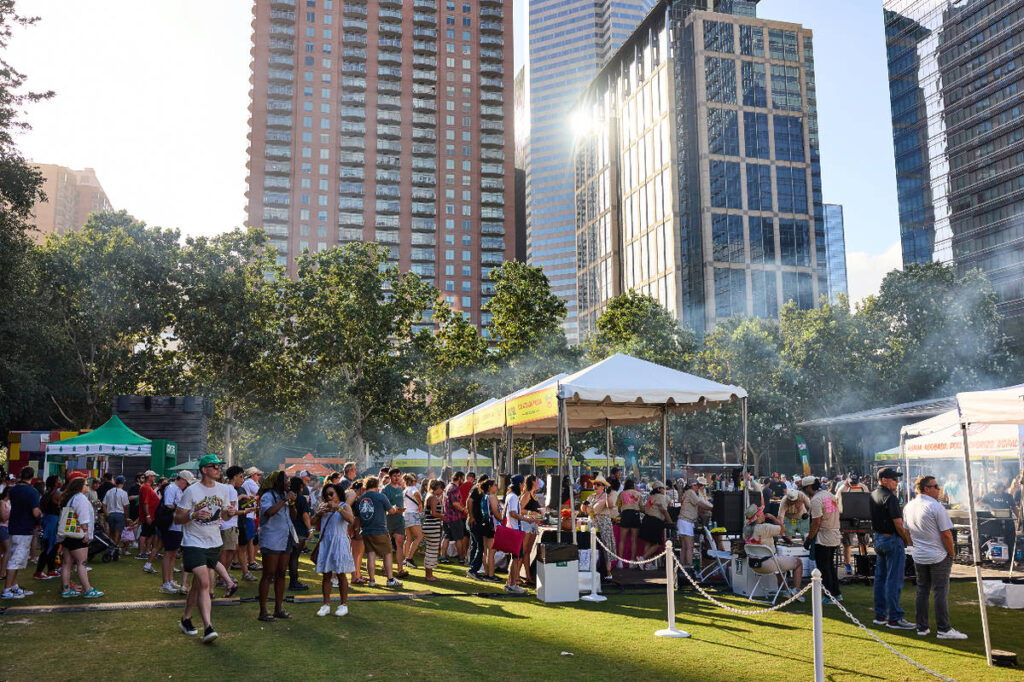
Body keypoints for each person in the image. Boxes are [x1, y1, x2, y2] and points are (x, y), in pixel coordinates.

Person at [175, 454, 235, 643]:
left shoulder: (223, 489)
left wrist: (229, 513)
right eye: (214, 466)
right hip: (193, 542)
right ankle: (208, 627)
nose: (219, 469)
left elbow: (224, 516)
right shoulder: (191, 491)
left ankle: (186, 619)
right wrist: (193, 515)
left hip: (213, 542)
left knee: (197, 585)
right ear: (204, 469)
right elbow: (177, 518)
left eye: (219, 466)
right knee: (204, 583)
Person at [904, 475, 967, 640]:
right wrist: (951, 553)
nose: (939, 489)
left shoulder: (909, 506)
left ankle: (922, 626)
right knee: (939, 591)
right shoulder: (935, 507)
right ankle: (943, 629)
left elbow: (907, 532)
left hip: (920, 555)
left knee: (922, 590)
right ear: (926, 489)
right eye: (936, 486)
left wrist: (914, 546)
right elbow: (946, 534)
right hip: (937, 555)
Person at [869, 467, 914, 629]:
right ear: (884, 480)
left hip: (879, 538)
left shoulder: (873, 494)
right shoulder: (890, 497)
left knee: (880, 579)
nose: (897, 482)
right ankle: (894, 618)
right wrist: (906, 540)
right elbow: (898, 524)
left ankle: (880, 615)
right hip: (891, 539)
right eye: (894, 479)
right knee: (894, 580)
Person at [743, 504, 803, 601]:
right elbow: (783, 529)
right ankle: (796, 590)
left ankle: (785, 590)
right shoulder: (765, 527)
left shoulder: (746, 529)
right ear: (757, 516)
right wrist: (773, 518)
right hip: (768, 564)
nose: (763, 514)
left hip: (754, 565)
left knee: (780, 562)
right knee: (798, 562)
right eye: (761, 513)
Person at [257, 471, 296, 621]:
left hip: (286, 538)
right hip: (271, 538)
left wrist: (291, 504)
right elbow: (269, 512)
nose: (289, 482)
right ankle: (263, 611)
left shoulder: (284, 495)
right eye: (286, 479)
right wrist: (285, 500)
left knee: (281, 573)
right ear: (278, 482)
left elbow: (293, 516)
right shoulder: (268, 496)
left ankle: (278, 609)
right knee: (268, 574)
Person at [56, 476, 103, 599]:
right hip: (78, 534)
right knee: (82, 563)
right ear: (79, 486)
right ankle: (88, 589)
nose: (88, 486)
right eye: (86, 484)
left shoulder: (70, 498)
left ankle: (66, 589)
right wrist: (86, 532)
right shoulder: (81, 498)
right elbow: (83, 517)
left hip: (68, 534)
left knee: (66, 563)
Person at [312, 483, 355, 617]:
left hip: (339, 542)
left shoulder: (344, 506)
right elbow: (312, 522)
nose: (329, 497)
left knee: (341, 574)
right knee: (326, 574)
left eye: (331, 494)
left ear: (338, 494)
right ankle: (326, 605)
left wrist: (337, 508)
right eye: (326, 495)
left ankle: (343, 605)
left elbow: (351, 520)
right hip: (326, 542)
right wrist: (319, 514)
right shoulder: (323, 506)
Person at [801, 475, 842, 605]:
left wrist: (809, 539)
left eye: (804, 488)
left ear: (809, 487)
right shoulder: (829, 495)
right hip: (834, 533)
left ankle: (829, 596)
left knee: (824, 567)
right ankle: (836, 593)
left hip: (823, 536)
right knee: (830, 565)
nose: (804, 491)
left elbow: (816, 522)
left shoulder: (816, 499)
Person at [2, 467, 40, 600]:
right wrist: (41, 514)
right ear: (32, 476)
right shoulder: (32, 491)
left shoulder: (14, 490)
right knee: (15, 560)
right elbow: (35, 512)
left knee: (15, 558)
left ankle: (13, 586)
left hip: (13, 527)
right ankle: (7, 589)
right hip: (24, 528)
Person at [357, 476, 403, 588]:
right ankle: (390, 579)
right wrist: (395, 508)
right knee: (387, 553)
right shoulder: (380, 496)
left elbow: (358, 515)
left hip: (366, 530)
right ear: (377, 485)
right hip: (380, 529)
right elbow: (391, 510)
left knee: (371, 554)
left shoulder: (360, 498)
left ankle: (372, 580)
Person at [159, 471, 194, 594]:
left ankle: (170, 579)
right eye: (187, 483)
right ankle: (166, 583)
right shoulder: (171, 488)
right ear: (182, 479)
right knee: (168, 553)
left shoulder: (178, 489)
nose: (187, 485)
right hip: (171, 525)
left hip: (177, 526)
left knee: (173, 554)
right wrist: (181, 508)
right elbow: (168, 504)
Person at [581, 474, 616, 582]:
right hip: (592, 523)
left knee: (606, 548)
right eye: (595, 484)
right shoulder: (591, 496)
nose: (595, 486)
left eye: (598, 484)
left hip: (603, 524)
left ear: (603, 487)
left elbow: (610, 506)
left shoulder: (606, 495)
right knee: (592, 547)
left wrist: (608, 496)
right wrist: (584, 504)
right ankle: (593, 570)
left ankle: (608, 572)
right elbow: (583, 510)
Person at [677, 477, 713, 572]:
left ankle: (682, 568)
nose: (698, 487)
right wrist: (712, 508)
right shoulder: (690, 492)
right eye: (696, 485)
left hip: (683, 521)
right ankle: (689, 568)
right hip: (686, 521)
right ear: (692, 486)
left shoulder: (687, 492)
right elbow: (700, 504)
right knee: (690, 547)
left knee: (684, 547)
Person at [836, 472, 869, 575]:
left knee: (863, 542)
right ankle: (847, 564)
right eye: (852, 483)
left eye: (855, 482)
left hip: (861, 516)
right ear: (847, 480)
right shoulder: (842, 489)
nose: (854, 485)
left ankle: (864, 562)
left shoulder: (863, 488)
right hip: (846, 518)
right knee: (847, 543)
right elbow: (837, 503)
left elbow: (867, 501)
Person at [218, 465, 244, 588]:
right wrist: (246, 511)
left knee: (230, 551)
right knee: (227, 553)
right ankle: (222, 578)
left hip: (226, 525)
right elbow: (231, 511)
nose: (242, 480)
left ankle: (224, 576)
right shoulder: (232, 490)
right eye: (241, 477)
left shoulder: (226, 488)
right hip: (229, 525)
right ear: (235, 477)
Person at [502, 475, 528, 593]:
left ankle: (510, 583)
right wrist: (526, 519)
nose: (523, 486)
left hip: (512, 529)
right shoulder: (513, 497)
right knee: (516, 558)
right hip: (514, 530)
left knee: (515, 558)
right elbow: (513, 513)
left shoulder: (510, 495)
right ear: (519, 484)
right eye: (523, 484)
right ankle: (512, 584)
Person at [33, 475, 63, 579]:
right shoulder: (57, 494)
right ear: (55, 483)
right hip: (53, 522)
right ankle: (40, 571)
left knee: (51, 546)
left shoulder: (46, 495)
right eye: (59, 480)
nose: (61, 481)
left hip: (47, 521)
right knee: (50, 546)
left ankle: (50, 570)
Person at [382, 468, 408, 577]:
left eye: (398, 476)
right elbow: (383, 506)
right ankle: (385, 569)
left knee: (399, 544)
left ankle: (400, 569)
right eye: (394, 476)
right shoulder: (385, 490)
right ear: (390, 477)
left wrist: (401, 509)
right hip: (388, 521)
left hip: (399, 520)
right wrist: (392, 509)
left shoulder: (400, 489)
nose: (397, 478)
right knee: (387, 546)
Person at [288, 475, 312, 592]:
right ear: (300, 486)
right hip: (299, 530)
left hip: (287, 529)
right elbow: (305, 515)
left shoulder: (286, 496)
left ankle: (281, 578)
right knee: (294, 557)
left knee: (287, 557)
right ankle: (294, 582)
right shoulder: (301, 498)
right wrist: (310, 529)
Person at [640, 481, 671, 569]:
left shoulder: (651, 497)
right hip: (655, 521)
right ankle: (643, 559)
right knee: (658, 543)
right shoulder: (661, 497)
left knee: (648, 542)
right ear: (659, 489)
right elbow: (664, 511)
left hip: (647, 519)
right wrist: (671, 522)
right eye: (663, 488)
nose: (664, 490)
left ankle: (646, 564)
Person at [519, 475, 542, 583]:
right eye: (537, 481)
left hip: (532, 524)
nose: (539, 483)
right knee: (523, 551)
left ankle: (528, 576)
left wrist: (539, 512)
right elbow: (520, 509)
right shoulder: (527, 494)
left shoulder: (533, 494)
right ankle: (516, 577)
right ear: (533, 482)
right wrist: (531, 512)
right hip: (526, 523)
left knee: (527, 551)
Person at [440, 472, 467, 564]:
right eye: (463, 479)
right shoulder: (454, 488)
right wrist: (463, 509)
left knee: (446, 537)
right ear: (459, 478)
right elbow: (455, 503)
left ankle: (442, 556)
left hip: (446, 517)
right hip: (454, 517)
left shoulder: (448, 486)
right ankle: (461, 558)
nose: (463, 481)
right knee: (459, 538)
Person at [422, 479, 444, 582]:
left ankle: (429, 574)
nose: (441, 490)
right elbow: (433, 513)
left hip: (428, 525)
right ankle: (429, 575)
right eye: (441, 488)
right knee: (432, 551)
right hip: (433, 526)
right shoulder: (433, 498)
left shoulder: (428, 496)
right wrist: (443, 516)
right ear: (437, 488)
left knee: (430, 550)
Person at [242, 467, 262, 572]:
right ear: (253, 475)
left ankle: (245, 561)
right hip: (248, 514)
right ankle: (251, 562)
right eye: (258, 475)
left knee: (248, 539)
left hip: (249, 513)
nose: (259, 477)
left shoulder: (248, 483)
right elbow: (261, 494)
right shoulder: (250, 482)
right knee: (249, 539)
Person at [136, 470, 160, 563]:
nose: (155, 478)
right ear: (149, 477)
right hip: (149, 515)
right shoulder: (145, 487)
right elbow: (145, 503)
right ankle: (140, 553)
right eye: (154, 476)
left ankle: (147, 551)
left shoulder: (147, 487)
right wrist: (148, 515)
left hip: (152, 515)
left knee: (150, 533)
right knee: (144, 533)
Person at [480, 478, 500, 582]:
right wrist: (503, 519)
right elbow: (496, 512)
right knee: (491, 552)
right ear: (489, 487)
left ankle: (487, 573)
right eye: (495, 485)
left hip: (484, 524)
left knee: (486, 551)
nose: (497, 487)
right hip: (492, 525)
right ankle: (491, 575)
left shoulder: (484, 496)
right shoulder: (492, 497)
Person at [402, 472, 423, 569]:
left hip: (405, 514)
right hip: (412, 514)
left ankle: (405, 559)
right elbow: (416, 494)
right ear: (413, 481)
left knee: (409, 538)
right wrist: (420, 504)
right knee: (419, 536)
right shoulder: (413, 488)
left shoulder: (405, 490)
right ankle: (409, 559)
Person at [618, 479, 642, 563]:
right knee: (634, 540)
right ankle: (632, 561)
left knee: (622, 539)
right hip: (635, 514)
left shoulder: (621, 494)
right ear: (633, 485)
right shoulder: (638, 494)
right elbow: (642, 506)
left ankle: (620, 561)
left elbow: (618, 507)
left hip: (625, 514)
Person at [347, 480, 366, 584]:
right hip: (356, 527)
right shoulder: (353, 496)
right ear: (361, 489)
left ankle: (357, 574)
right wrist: (354, 528)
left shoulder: (353, 495)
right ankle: (354, 576)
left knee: (358, 553)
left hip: (355, 527)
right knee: (356, 553)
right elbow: (349, 511)